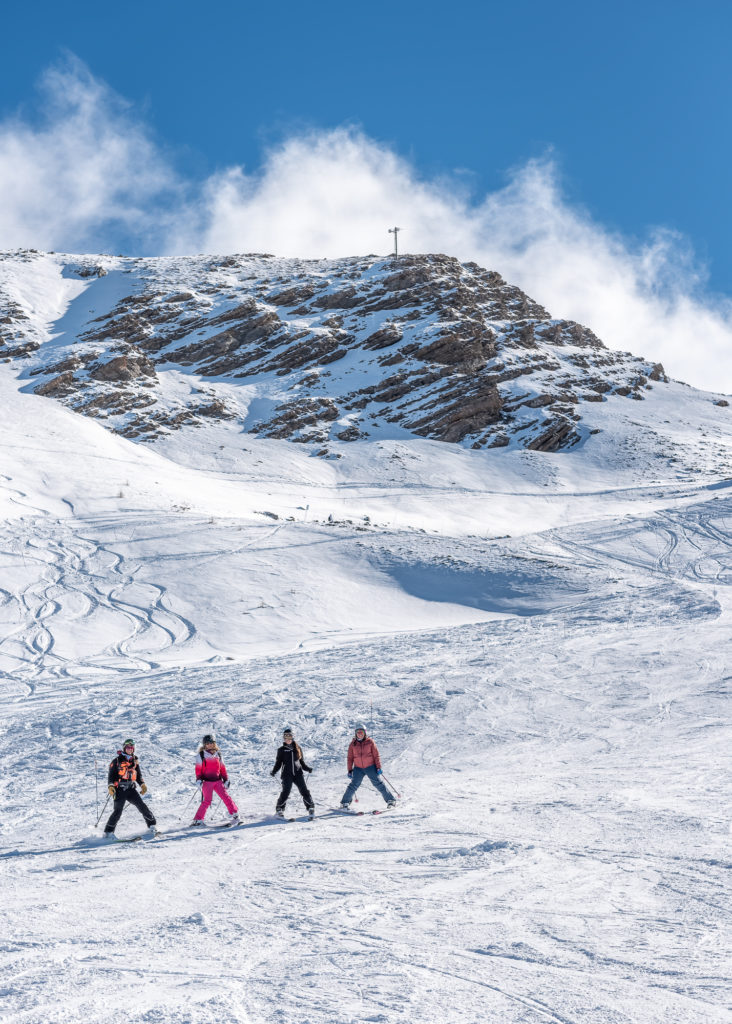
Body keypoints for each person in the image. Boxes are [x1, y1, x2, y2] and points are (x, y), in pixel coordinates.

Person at [104, 738, 157, 838]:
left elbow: (138, 775)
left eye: (132, 747)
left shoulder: (135, 760)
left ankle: (152, 825)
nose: (130, 749)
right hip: (119, 789)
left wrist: (142, 785)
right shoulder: (117, 760)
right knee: (118, 811)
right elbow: (111, 775)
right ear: (124, 748)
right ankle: (108, 832)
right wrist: (111, 786)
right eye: (128, 747)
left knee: (142, 806)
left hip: (131, 789)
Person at [340, 725, 395, 810]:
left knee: (378, 784)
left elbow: (376, 755)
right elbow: (350, 758)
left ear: (365, 733)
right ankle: (345, 803)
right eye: (358, 732)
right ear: (355, 733)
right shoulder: (353, 744)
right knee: (353, 785)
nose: (359, 734)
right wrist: (350, 770)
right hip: (358, 768)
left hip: (370, 767)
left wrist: (378, 767)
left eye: (361, 732)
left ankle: (391, 801)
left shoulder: (370, 742)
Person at [191, 734, 239, 826]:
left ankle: (235, 814)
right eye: (208, 743)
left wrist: (226, 779)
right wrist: (199, 780)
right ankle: (198, 820)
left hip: (218, 781)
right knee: (207, 801)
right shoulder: (201, 755)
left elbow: (222, 769)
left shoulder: (218, 754)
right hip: (207, 782)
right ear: (205, 745)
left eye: (212, 743)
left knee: (226, 797)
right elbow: (198, 770)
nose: (210, 745)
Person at [270, 728, 315, 818]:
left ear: (293, 737)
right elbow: (278, 763)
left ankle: (310, 807)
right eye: (285, 736)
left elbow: (301, 762)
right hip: (287, 774)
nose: (287, 739)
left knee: (304, 790)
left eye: (289, 736)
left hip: (298, 773)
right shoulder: (281, 750)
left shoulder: (298, 748)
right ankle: (279, 809)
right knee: (286, 791)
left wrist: (307, 768)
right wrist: (274, 771)